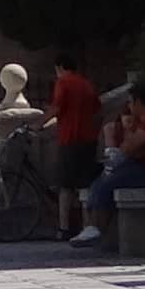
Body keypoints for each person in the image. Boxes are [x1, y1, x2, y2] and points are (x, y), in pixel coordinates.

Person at [71, 80, 145, 250]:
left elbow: (128, 147)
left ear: (139, 102)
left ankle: (96, 226)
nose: (129, 106)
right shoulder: (140, 122)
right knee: (99, 180)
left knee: (108, 183)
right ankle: (92, 227)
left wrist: (123, 137)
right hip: (137, 166)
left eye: (131, 102)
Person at [47, 50, 103, 239]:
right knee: (85, 184)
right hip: (89, 140)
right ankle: (87, 225)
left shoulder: (63, 82)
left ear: (60, 67)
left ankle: (64, 228)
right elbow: (98, 111)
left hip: (69, 139)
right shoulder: (86, 84)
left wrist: (38, 123)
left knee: (65, 186)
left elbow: (57, 107)